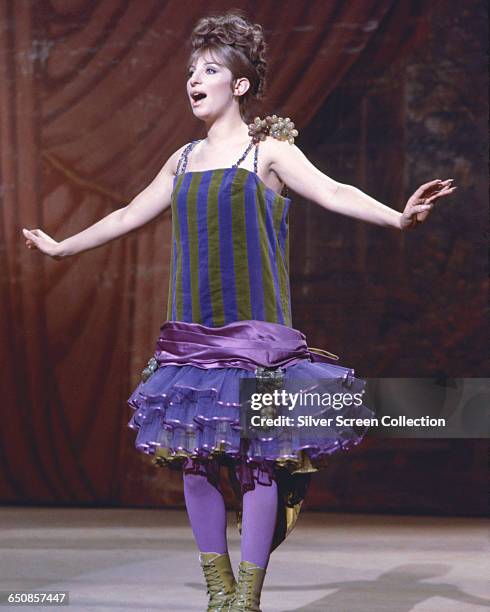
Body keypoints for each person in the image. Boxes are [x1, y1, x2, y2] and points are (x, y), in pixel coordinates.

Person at [22, 10, 457, 612]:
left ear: (239, 85)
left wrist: (398, 216)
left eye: (208, 70)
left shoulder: (268, 152)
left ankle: (247, 596)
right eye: (191, 71)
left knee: (260, 464)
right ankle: (218, 590)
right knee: (196, 463)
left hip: (256, 339)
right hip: (192, 340)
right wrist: (63, 247)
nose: (194, 81)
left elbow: (333, 191)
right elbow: (127, 215)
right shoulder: (180, 160)